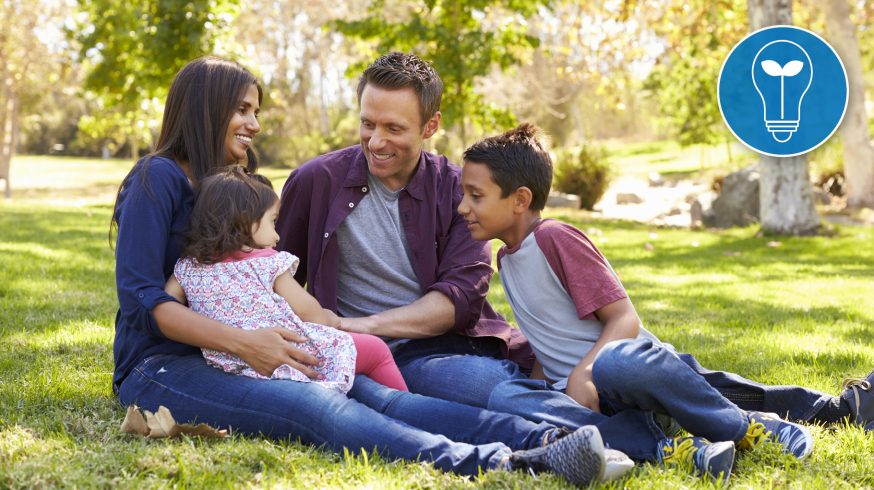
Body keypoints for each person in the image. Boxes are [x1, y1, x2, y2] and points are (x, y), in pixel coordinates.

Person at [277, 50, 872, 438]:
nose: (375, 141)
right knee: (559, 387)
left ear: (430, 127)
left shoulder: (457, 190)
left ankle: (812, 410)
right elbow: (275, 268)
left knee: (649, 368)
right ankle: (657, 438)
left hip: (450, 344)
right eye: (366, 124)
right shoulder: (316, 183)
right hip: (374, 356)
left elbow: (459, 298)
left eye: (393, 129)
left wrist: (365, 324)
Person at [111, 55, 622, 486]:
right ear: (207, 109)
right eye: (242, 110)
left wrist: (311, 336)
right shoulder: (156, 179)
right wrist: (248, 342)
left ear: (428, 126)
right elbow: (144, 301)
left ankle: (551, 441)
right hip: (163, 367)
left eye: (254, 110)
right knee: (319, 409)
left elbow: (265, 271)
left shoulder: (223, 186)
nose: (254, 123)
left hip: (250, 353)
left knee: (378, 396)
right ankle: (505, 461)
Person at [455, 123, 874, 480]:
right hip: (601, 397)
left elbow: (624, 320)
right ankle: (673, 440)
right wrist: (546, 388)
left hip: (634, 369)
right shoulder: (505, 263)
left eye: (475, 195)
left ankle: (780, 422)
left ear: (520, 199)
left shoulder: (554, 239)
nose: (462, 207)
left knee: (684, 381)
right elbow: (548, 339)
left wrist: (584, 372)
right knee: (512, 395)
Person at [164, 166, 408, 392]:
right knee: (376, 351)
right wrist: (330, 320)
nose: (278, 235)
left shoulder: (187, 267)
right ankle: (403, 401)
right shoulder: (267, 263)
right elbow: (309, 312)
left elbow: (168, 305)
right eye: (273, 221)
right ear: (246, 221)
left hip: (229, 363)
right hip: (292, 354)